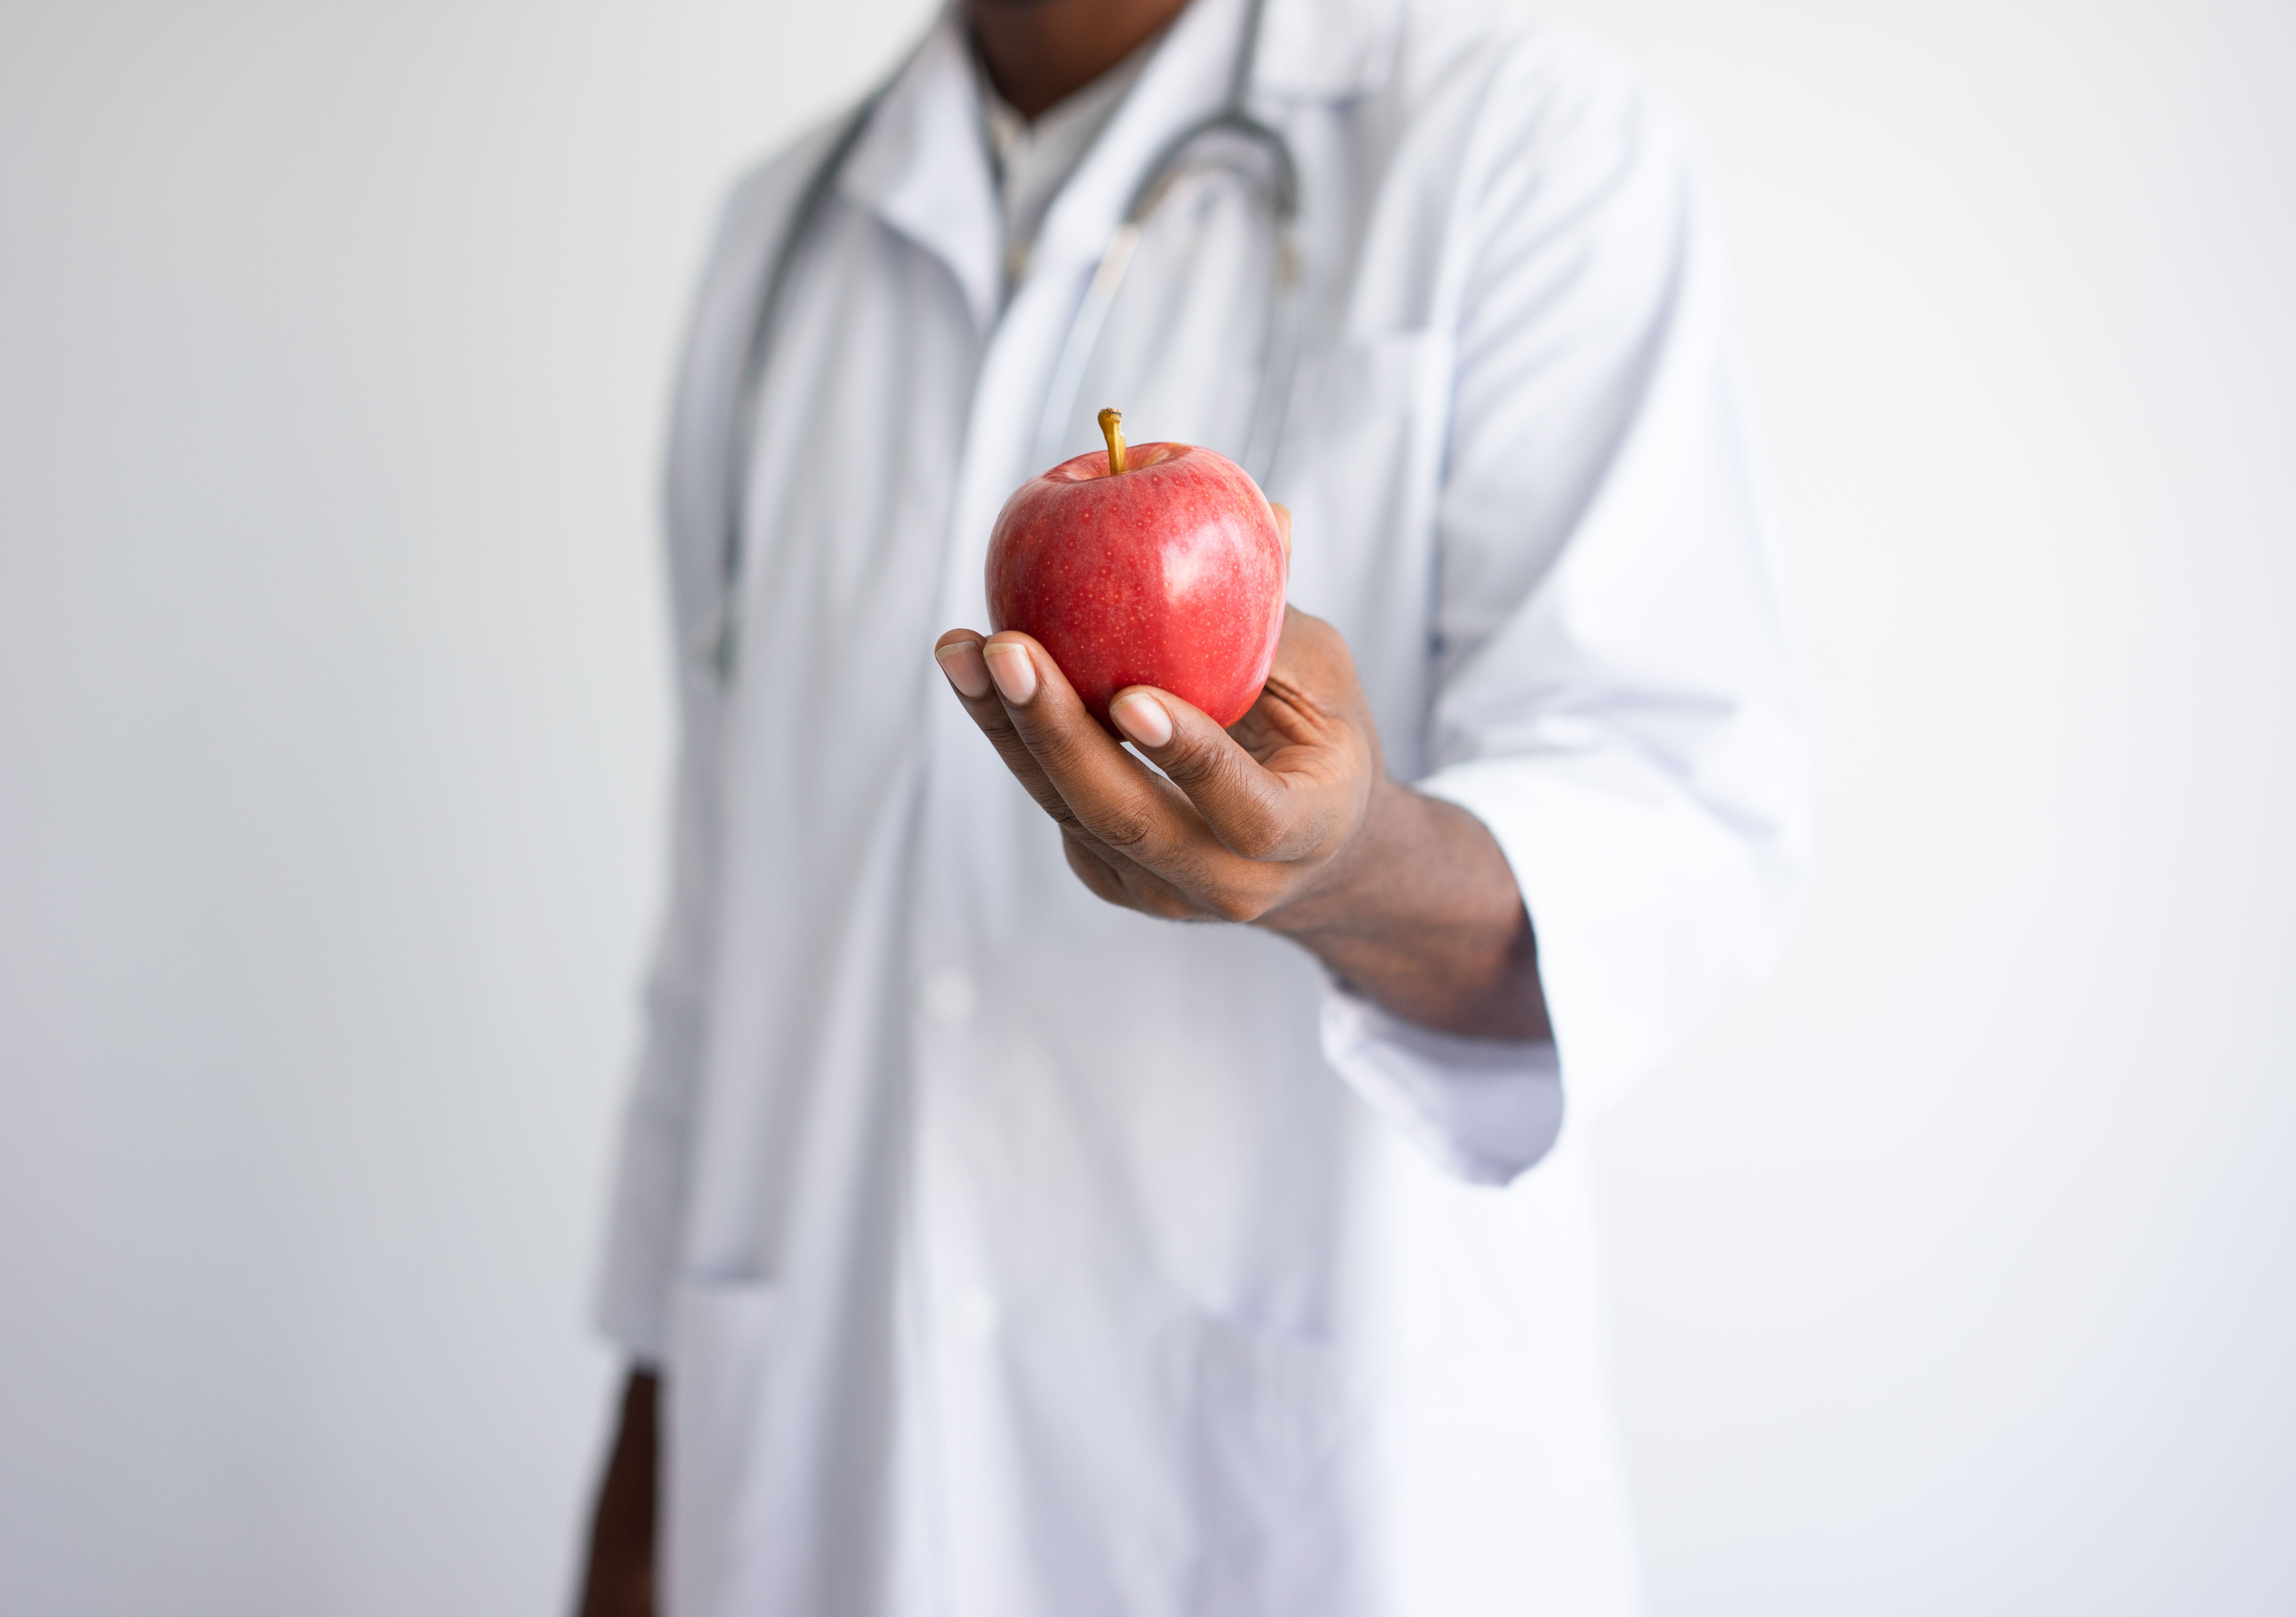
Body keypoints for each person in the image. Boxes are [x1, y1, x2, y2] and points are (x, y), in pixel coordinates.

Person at [577, 0, 1807, 1609]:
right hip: (822, 1497)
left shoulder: (1521, 142)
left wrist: (1348, 867)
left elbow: (1667, 837)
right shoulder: (781, 242)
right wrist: (638, 1515)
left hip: (1316, 1511)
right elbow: (724, 962)